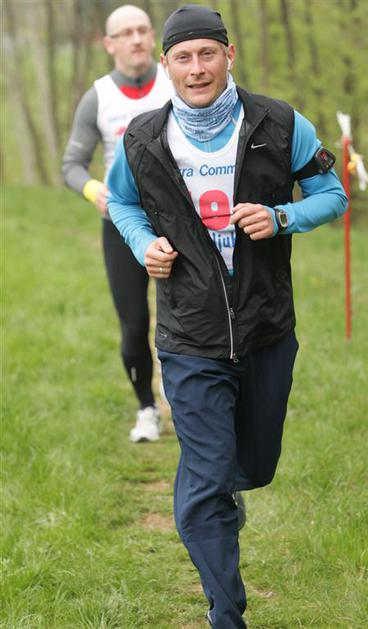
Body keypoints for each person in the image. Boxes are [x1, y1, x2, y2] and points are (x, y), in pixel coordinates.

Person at [108, 4, 348, 627]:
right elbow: (122, 203)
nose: (196, 69)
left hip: (267, 327)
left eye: (207, 54)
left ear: (229, 55)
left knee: (254, 465)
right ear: (166, 65)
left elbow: (333, 195)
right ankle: (226, 611)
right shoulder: (143, 137)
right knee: (208, 477)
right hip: (190, 333)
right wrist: (143, 243)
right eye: (183, 58)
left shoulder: (279, 122)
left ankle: (221, 489)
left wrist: (283, 217)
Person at [62, 5, 172, 442]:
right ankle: (147, 409)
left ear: (153, 36)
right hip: (122, 224)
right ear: (109, 44)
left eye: (143, 30)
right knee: (134, 324)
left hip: (178, 221)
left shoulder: (176, 82)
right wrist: (95, 192)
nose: (136, 39)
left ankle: (190, 406)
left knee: (189, 320)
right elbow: (71, 166)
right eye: (125, 33)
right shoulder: (98, 97)